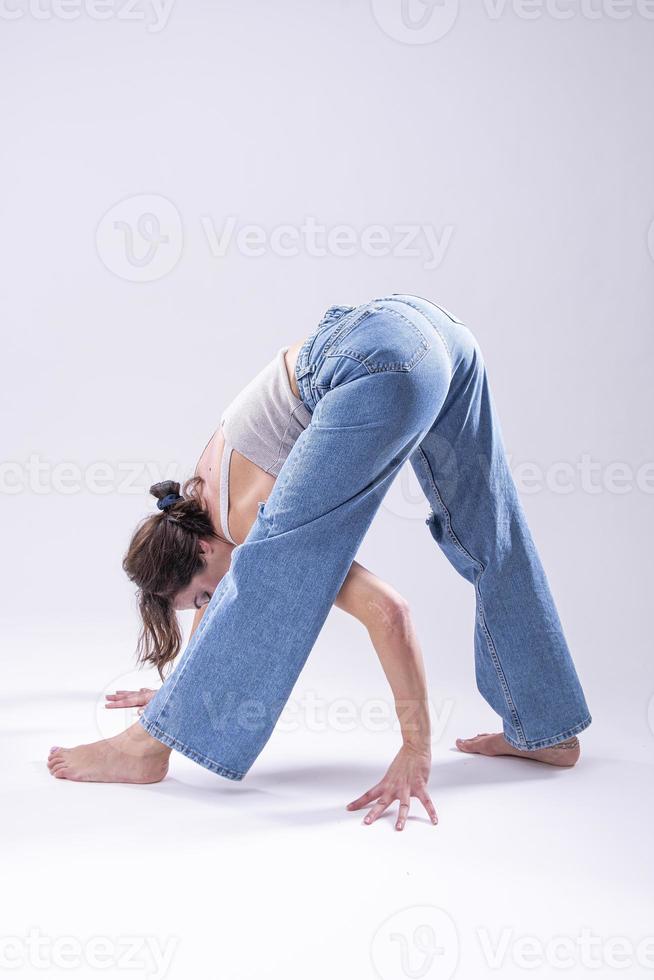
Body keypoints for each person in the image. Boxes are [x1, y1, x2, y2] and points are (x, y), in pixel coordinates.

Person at [47, 294, 591, 831]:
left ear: (204, 549)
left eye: (203, 597)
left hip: (378, 359)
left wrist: (415, 750)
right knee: (493, 539)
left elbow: (389, 611)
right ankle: (547, 731)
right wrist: (182, 688)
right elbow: (223, 600)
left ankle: (145, 747)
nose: (210, 605)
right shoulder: (202, 496)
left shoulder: (242, 520)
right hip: (442, 336)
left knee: (269, 575)